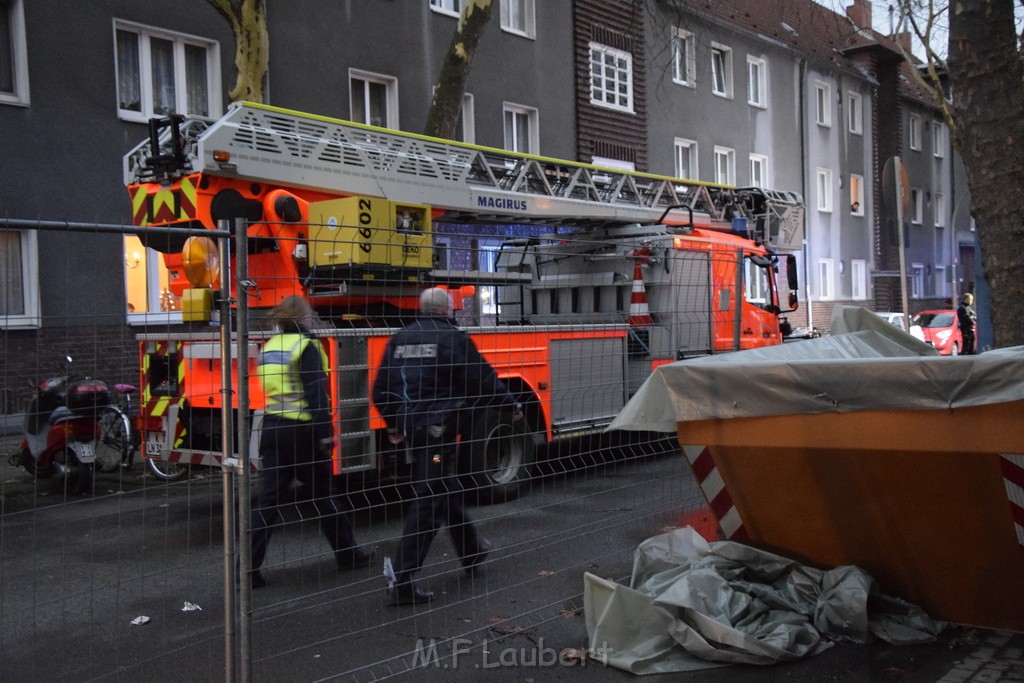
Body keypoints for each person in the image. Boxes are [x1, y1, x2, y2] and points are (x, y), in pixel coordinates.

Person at [372, 287, 523, 606]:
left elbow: (381, 388)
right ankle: (402, 579)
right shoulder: (452, 338)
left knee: (445, 488)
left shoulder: (400, 339)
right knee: (429, 499)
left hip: (416, 427)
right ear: (447, 309)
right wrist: (510, 403)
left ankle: (471, 552)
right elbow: (481, 380)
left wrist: (395, 423)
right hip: (439, 428)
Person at [250, 295, 372, 588]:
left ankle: (247, 569)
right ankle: (348, 555)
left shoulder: (270, 346)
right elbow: (316, 394)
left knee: (267, 503)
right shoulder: (307, 346)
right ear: (304, 317)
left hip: (273, 428)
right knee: (325, 497)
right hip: (303, 432)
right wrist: (326, 433)